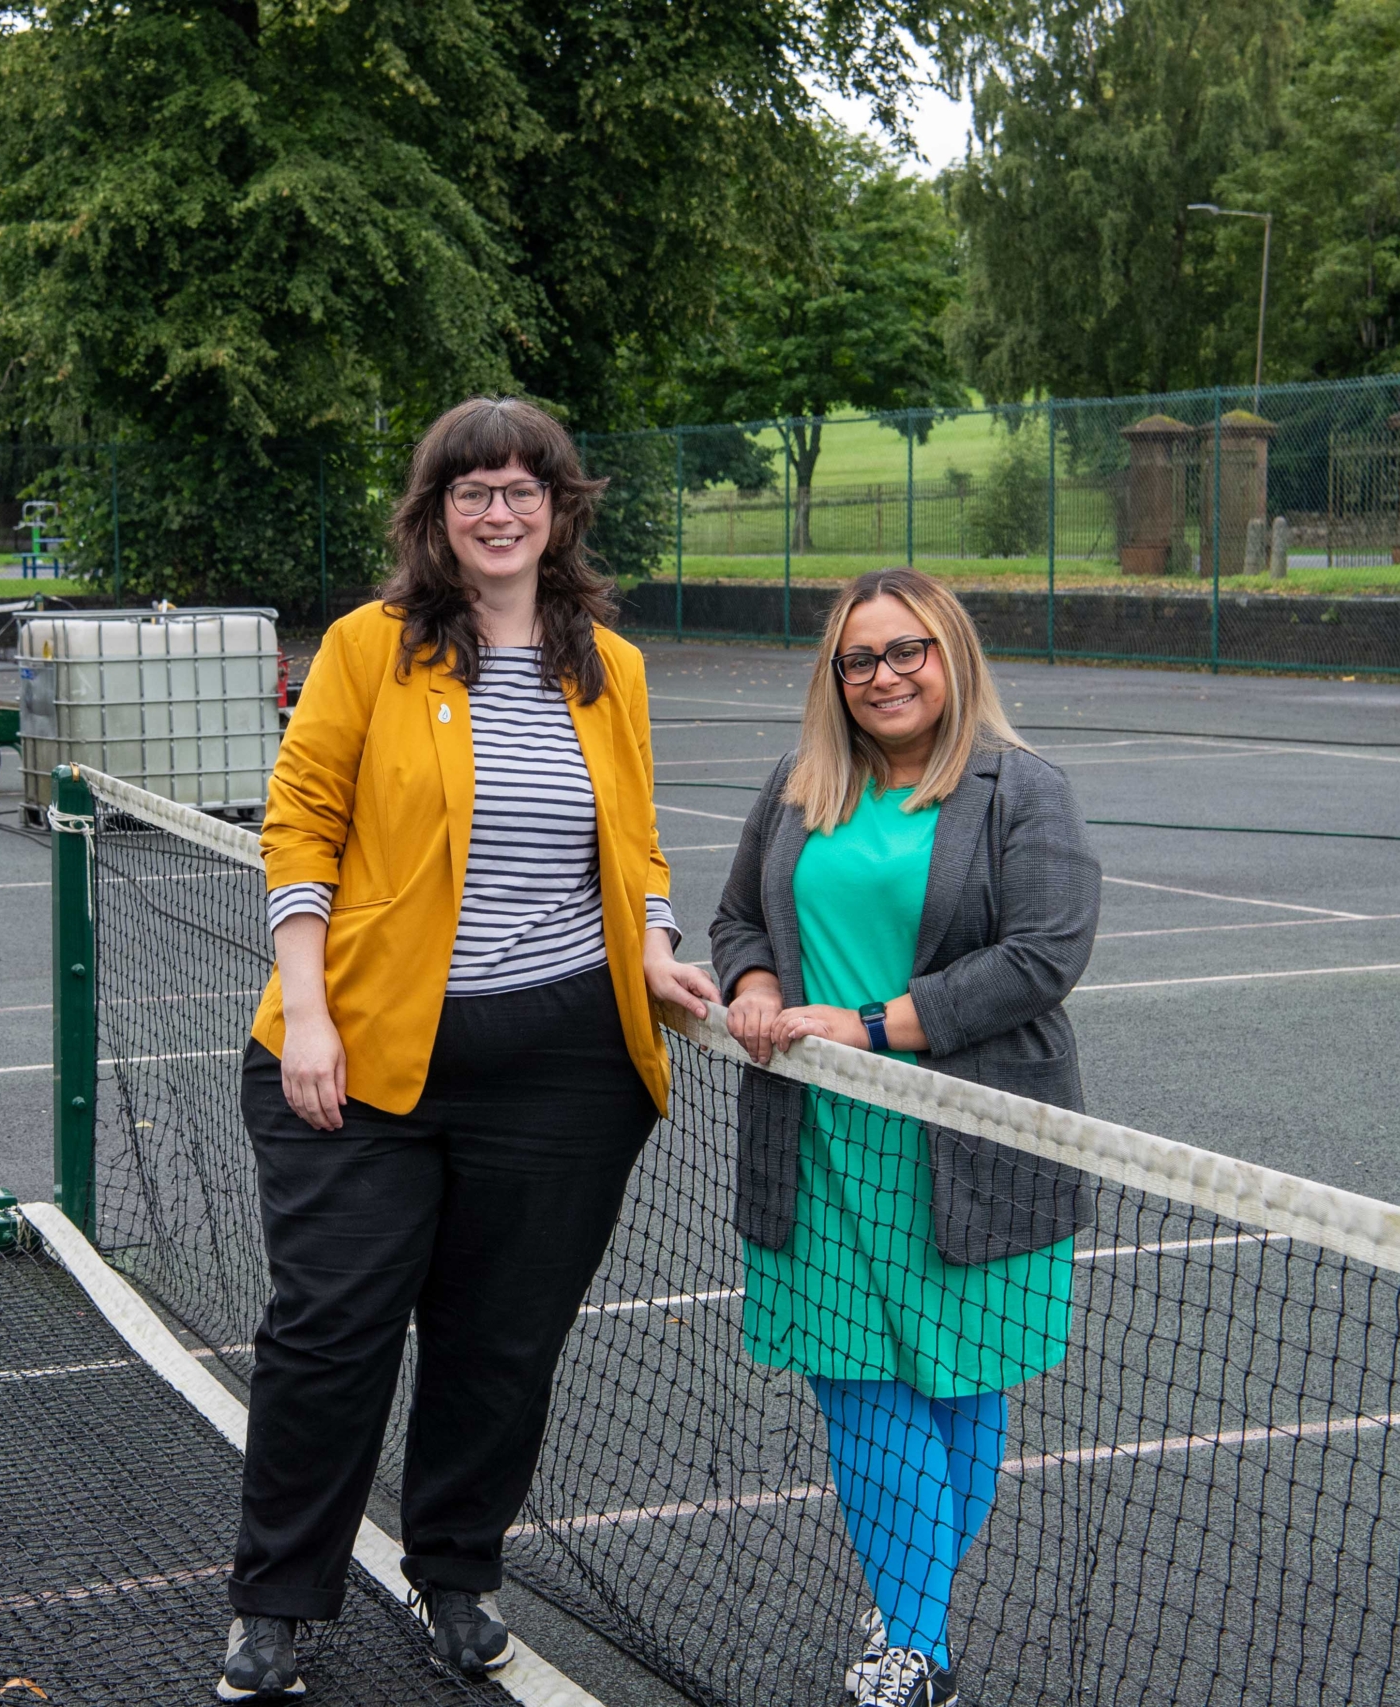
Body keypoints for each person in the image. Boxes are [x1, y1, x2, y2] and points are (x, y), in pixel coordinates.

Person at [223, 396, 719, 1701]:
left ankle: (458, 1573)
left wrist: (657, 942)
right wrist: (310, 1008)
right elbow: (302, 823)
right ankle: (275, 1596)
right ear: (436, 514)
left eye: (522, 489)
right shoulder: (366, 648)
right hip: (366, 1051)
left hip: (565, 1066)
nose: (498, 512)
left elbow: (635, 847)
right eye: (472, 491)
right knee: (331, 1332)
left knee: (499, 1346)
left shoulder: (610, 665)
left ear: (559, 510)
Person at [707, 567, 1101, 1707]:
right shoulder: (799, 784)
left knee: (961, 1389)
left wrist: (879, 1024)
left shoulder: (1022, 789)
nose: (884, 676)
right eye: (859, 659)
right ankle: (916, 1648)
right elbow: (738, 916)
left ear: (951, 654)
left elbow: (1041, 957)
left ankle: (908, 1604)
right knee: (857, 1388)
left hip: (970, 1144)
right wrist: (753, 980)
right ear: (835, 678)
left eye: (906, 651)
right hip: (817, 1141)